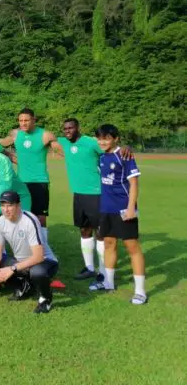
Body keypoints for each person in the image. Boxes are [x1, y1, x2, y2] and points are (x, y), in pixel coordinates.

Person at [89, 124, 146, 305]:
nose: (102, 142)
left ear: (116, 138)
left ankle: (140, 291)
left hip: (124, 209)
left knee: (132, 247)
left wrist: (131, 209)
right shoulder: (102, 156)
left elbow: (134, 184)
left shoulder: (125, 156)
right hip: (106, 208)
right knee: (108, 243)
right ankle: (108, 282)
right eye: (99, 138)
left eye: (106, 138)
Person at [0, 191, 59, 314]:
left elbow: (38, 257)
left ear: (18, 205)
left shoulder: (29, 220)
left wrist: (12, 269)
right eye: (3, 205)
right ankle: (24, 286)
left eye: (10, 205)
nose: (6, 210)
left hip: (45, 262)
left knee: (37, 272)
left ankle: (45, 299)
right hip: (22, 264)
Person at [57, 118, 105, 281]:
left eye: (70, 128)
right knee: (84, 230)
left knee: (100, 232)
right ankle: (90, 268)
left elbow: (109, 149)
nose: (67, 131)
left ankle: (104, 270)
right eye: (65, 129)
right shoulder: (64, 142)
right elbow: (48, 139)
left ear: (78, 128)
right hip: (78, 194)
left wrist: (124, 148)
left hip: (96, 193)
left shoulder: (91, 143)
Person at [0, 108, 60, 228]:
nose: (23, 123)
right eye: (20, 120)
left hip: (39, 181)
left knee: (40, 216)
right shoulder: (15, 134)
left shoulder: (45, 135)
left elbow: (63, 151)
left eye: (26, 120)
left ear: (33, 120)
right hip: (21, 182)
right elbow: (1, 143)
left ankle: (43, 244)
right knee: (21, 213)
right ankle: (25, 242)